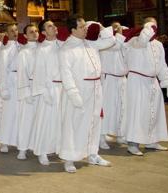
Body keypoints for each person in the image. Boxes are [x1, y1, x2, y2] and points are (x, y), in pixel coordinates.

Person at [58, 16, 115, 173]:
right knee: (74, 125)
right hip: (79, 91)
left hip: (95, 88)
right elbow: (66, 74)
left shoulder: (89, 44)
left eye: (85, 26)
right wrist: (74, 94)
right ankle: (69, 158)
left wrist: (101, 28)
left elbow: (110, 41)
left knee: (94, 122)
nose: (86, 29)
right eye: (82, 27)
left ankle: (92, 153)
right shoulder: (66, 49)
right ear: (73, 30)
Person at [124, 18, 168, 156]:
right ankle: (133, 143)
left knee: (155, 112)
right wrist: (146, 29)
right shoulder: (134, 41)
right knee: (138, 113)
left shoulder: (158, 44)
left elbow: (162, 64)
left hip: (153, 82)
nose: (153, 29)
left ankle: (152, 141)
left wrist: (167, 82)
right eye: (151, 26)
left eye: (155, 26)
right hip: (137, 81)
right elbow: (142, 41)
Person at [31, 20, 63, 166]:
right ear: (43, 32)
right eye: (50, 26)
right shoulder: (41, 49)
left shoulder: (63, 45)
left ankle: (57, 147)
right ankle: (42, 150)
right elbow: (38, 72)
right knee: (46, 121)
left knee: (60, 121)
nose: (54, 27)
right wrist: (44, 91)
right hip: (49, 88)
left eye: (54, 25)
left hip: (63, 88)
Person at [98, 22, 128, 149]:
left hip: (122, 79)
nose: (117, 29)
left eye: (119, 26)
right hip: (108, 79)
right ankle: (101, 137)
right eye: (114, 27)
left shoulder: (121, 41)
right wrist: (119, 35)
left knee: (123, 108)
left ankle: (121, 134)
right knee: (107, 109)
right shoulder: (105, 41)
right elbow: (114, 46)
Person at [15, 24, 39, 160]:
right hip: (29, 87)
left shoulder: (43, 48)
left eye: (36, 31)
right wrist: (26, 92)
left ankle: (37, 146)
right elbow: (21, 74)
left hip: (41, 88)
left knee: (39, 120)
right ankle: (22, 148)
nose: (35, 34)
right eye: (31, 32)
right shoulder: (23, 52)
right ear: (25, 36)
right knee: (26, 120)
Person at [0, 23, 20, 153]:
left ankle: (16, 139)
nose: (15, 32)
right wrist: (3, 89)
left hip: (20, 82)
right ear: (7, 33)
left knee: (18, 113)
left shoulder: (22, 47)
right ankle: (4, 141)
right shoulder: (5, 50)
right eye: (11, 31)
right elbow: (2, 71)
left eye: (16, 30)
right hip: (10, 82)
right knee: (8, 113)